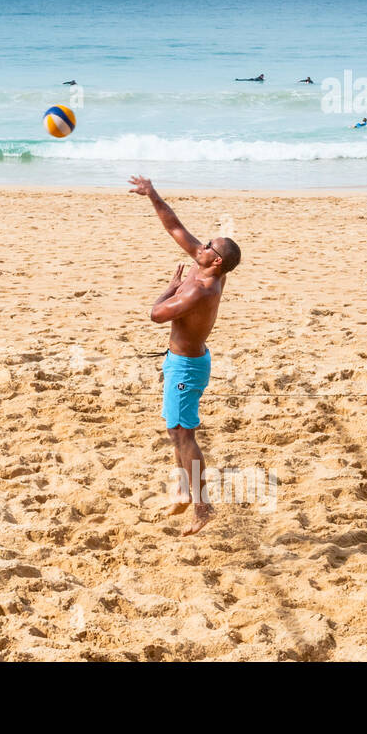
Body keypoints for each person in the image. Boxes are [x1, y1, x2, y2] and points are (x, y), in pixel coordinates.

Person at [129, 176, 242, 536]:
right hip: (184, 362)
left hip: (186, 367)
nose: (201, 245)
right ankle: (181, 490)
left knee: (184, 436)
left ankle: (203, 507)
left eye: (209, 245)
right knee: (175, 429)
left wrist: (171, 287)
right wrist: (152, 193)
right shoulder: (206, 264)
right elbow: (175, 227)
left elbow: (156, 314)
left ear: (217, 259)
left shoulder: (201, 290)